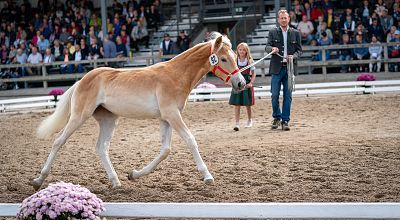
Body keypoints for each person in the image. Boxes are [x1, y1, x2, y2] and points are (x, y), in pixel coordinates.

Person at [265, 9, 302, 131]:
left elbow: (299, 50)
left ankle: (285, 120)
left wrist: (294, 56)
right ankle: (276, 117)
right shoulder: (272, 32)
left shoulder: (296, 33)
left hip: (289, 69)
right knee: (274, 95)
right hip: (276, 68)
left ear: (288, 19)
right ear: (278, 19)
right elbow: (267, 47)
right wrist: (272, 49)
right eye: (281, 18)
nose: (283, 20)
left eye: (285, 18)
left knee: (288, 96)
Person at [229, 42, 256, 131]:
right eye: (240, 49)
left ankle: (249, 120)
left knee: (247, 104)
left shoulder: (249, 60)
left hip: (246, 83)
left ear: (246, 51)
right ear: (237, 50)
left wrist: (251, 83)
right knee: (237, 104)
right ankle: (237, 123)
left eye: (244, 50)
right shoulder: (235, 59)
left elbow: (253, 73)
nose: (242, 51)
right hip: (237, 83)